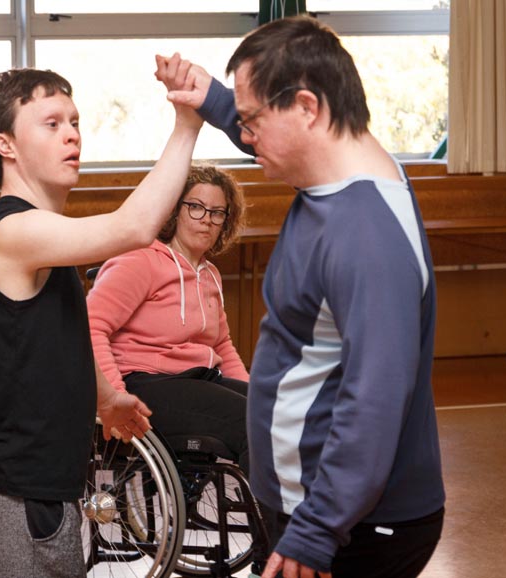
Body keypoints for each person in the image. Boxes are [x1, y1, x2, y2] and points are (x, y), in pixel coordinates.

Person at [155, 15, 445, 578]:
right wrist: (212, 97)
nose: (246, 135)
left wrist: (316, 530)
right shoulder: (339, 169)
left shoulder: (365, 237)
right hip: (312, 503)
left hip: (349, 524)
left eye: (251, 120)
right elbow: (280, 135)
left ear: (308, 107)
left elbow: (375, 398)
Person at [0, 67, 202, 578]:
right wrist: (187, 126)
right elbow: (134, 227)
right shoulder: (13, 230)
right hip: (15, 486)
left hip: (48, 483)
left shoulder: (49, 238)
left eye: (74, 121)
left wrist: (107, 399)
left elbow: (56, 342)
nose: (72, 133)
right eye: (50, 123)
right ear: (6, 145)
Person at [86, 164, 251, 475]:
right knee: (255, 424)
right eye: (196, 207)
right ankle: (282, 521)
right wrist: (117, 398)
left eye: (217, 212)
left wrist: (249, 390)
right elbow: (91, 325)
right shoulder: (141, 259)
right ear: (175, 210)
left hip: (198, 378)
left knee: (281, 414)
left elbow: (223, 345)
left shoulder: (209, 274)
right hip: (147, 382)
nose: (207, 219)